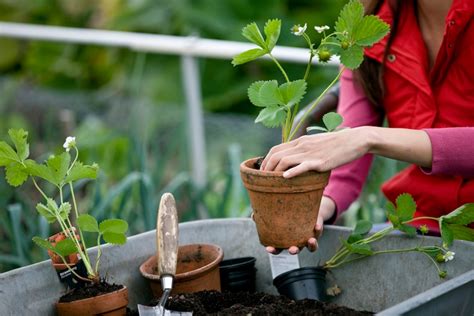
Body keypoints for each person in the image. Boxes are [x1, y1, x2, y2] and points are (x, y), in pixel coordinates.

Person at [262, 0, 474, 254]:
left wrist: (369, 138)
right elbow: (346, 147)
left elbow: (357, 138)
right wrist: (319, 208)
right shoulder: (373, 23)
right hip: (423, 225)